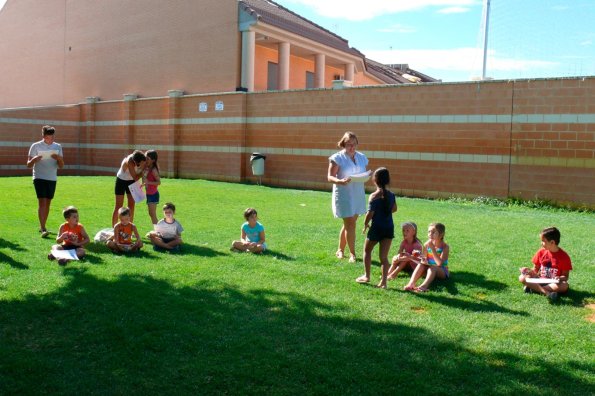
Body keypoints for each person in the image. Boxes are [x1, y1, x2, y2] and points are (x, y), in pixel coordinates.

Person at [327, 131, 369, 263]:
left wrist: (367, 176)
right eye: (349, 144)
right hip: (344, 194)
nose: (352, 147)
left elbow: (364, 173)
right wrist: (340, 181)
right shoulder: (337, 158)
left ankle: (340, 249)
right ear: (343, 144)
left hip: (357, 194)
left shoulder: (362, 157)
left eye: (354, 144)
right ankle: (352, 254)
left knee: (349, 225)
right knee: (350, 224)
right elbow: (329, 177)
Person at [356, 168, 397, 288]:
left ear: (375, 180)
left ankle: (367, 276)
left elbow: (370, 213)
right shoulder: (392, 195)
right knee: (384, 257)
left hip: (376, 228)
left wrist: (365, 224)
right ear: (387, 180)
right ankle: (384, 282)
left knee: (367, 251)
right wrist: (386, 210)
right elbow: (394, 209)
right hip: (389, 228)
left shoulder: (373, 196)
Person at [27, 125, 64, 237]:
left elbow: (61, 166)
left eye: (52, 137)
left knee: (48, 203)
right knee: (42, 202)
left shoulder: (57, 146)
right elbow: (28, 165)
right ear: (43, 136)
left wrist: (58, 158)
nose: (50, 140)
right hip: (39, 177)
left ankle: (43, 225)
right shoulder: (35, 146)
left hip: (52, 178)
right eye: (48, 138)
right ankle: (43, 228)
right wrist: (34, 159)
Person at [518, 226, 572, 302]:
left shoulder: (564, 257)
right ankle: (547, 293)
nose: (541, 243)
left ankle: (533, 288)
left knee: (564, 285)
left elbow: (565, 277)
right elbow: (535, 270)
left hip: (552, 283)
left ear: (552, 242)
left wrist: (560, 278)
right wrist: (527, 271)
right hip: (539, 280)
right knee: (522, 277)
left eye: (543, 241)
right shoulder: (541, 252)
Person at [403, 223, 450, 292]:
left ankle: (423, 286)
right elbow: (424, 261)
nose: (430, 234)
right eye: (429, 232)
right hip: (429, 269)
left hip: (442, 271)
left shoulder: (445, 247)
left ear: (441, 235)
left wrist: (433, 249)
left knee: (433, 267)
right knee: (421, 264)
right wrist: (418, 255)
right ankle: (411, 284)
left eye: (434, 232)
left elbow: (439, 264)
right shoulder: (426, 244)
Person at [111, 150, 146, 226]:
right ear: (136, 162)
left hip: (131, 181)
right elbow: (136, 177)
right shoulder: (129, 161)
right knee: (118, 205)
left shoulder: (143, 158)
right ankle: (114, 228)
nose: (144, 164)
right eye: (142, 163)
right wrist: (143, 173)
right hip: (121, 180)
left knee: (131, 204)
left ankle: (130, 227)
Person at [143, 150, 161, 225]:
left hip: (153, 194)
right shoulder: (147, 168)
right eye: (145, 158)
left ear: (153, 160)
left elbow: (159, 182)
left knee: (152, 215)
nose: (146, 160)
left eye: (148, 159)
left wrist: (148, 182)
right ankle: (157, 231)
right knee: (151, 214)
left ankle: (158, 231)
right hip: (149, 194)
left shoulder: (153, 170)